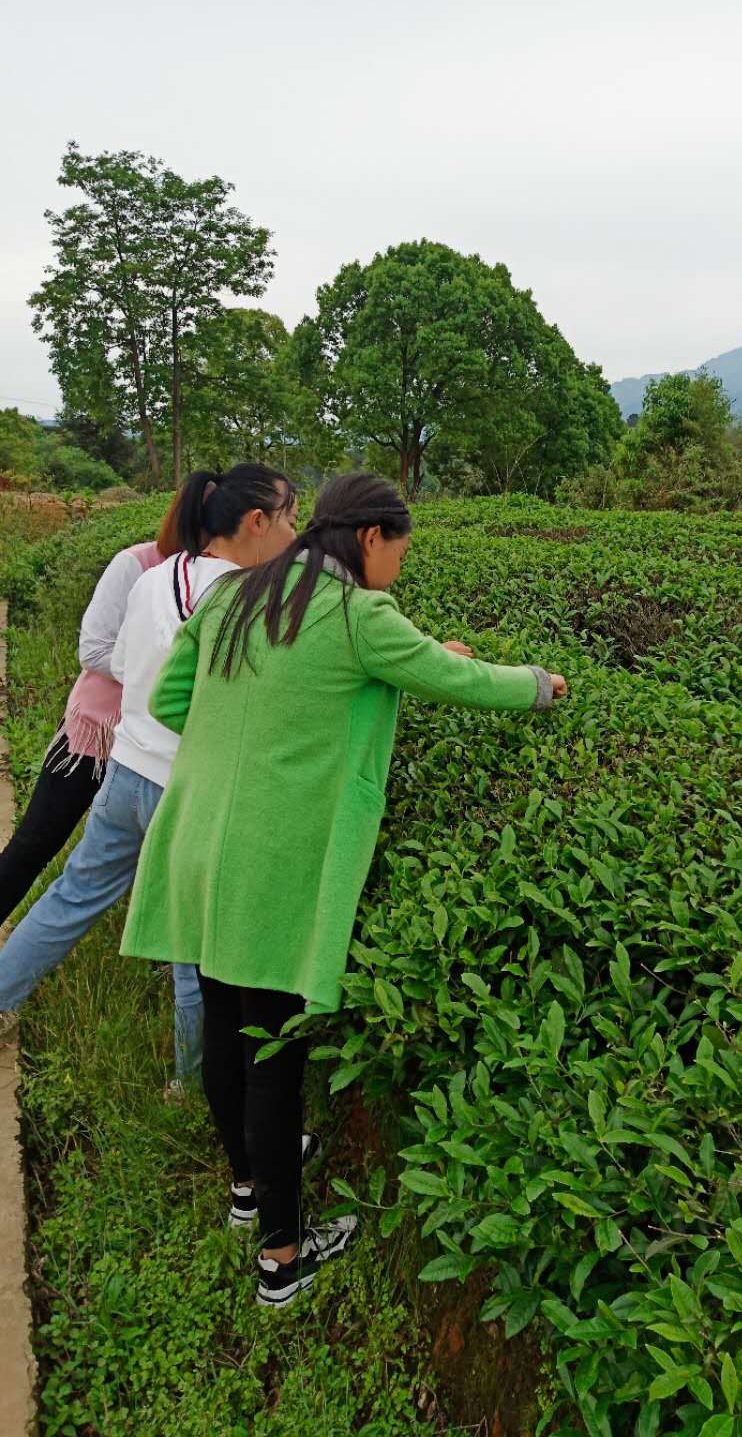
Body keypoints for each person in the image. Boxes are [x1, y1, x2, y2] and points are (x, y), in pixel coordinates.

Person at [120, 472, 568, 1306]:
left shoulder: (237, 597)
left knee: (224, 1022)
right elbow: (459, 681)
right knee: (273, 1053)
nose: (401, 562)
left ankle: (248, 1191)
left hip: (198, 839)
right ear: (371, 539)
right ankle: (282, 1260)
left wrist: (252, 734)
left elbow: (170, 698)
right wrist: (541, 684)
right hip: (270, 861)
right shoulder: (361, 616)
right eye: (402, 547)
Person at [0, 465, 299, 1101]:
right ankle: (188, 1086)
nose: (295, 533)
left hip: (126, 775)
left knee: (71, 896)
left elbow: (134, 671)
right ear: (256, 522)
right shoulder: (251, 602)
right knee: (192, 952)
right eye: (291, 518)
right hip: (185, 793)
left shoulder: (156, 576)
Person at [0, 499, 182, 932]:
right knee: (37, 840)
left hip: (155, 745)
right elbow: (93, 649)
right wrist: (150, 672)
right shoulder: (136, 563)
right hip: (96, 733)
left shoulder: (221, 576)